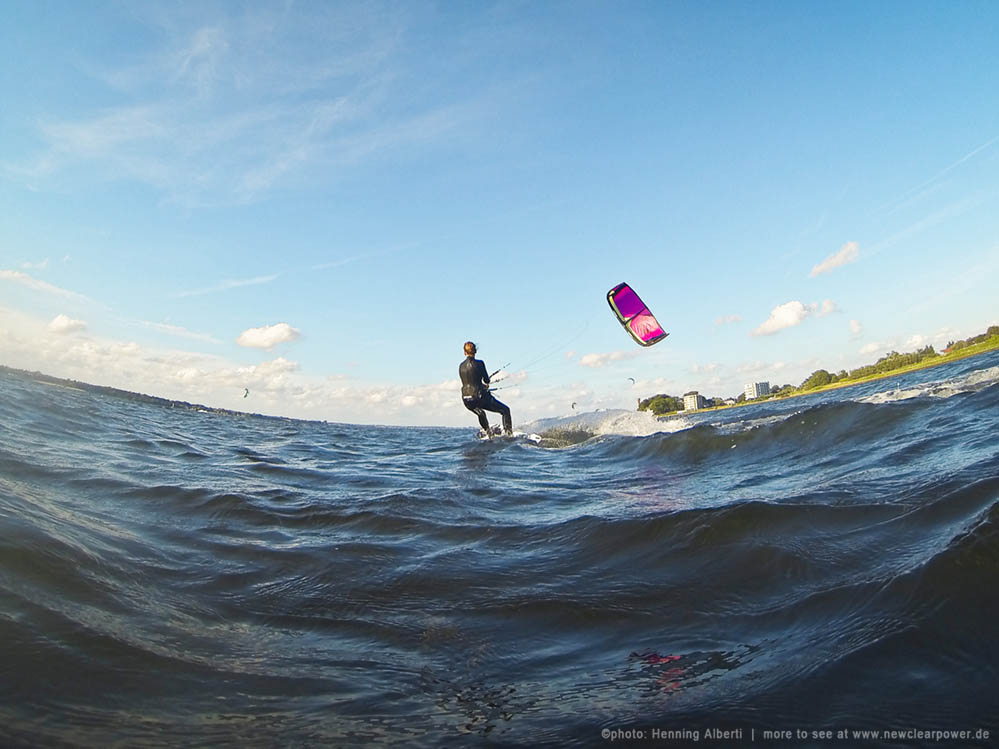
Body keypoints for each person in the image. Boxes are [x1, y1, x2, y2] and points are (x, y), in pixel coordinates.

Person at [459, 341, 512, 437]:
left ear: (464, 352)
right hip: (479, 397)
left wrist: (482, 386)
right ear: (475, 351)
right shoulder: (480, 363)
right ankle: (509, 435)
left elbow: (470, 382)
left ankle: (488, 433)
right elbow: (486, 380)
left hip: (466, 399)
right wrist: (485, 385)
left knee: (481, 413)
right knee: (505, 410)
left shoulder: (461, 366)